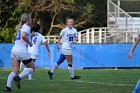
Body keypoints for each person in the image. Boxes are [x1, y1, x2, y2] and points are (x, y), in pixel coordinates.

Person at [4, 13, 34, 91]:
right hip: (22, 51)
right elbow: (23, 36)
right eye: (30, 18)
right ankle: (18, 78)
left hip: (14, 50)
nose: (31, 19)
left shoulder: (20, 27)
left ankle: (8, 87)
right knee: (32, 68)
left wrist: (31, 35)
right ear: (27, 20)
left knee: (15, 70)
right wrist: (30, 43)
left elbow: (22, 36)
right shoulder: (27, 27)